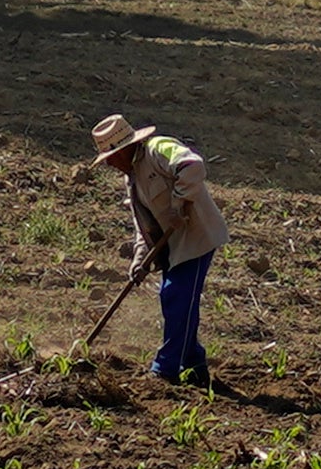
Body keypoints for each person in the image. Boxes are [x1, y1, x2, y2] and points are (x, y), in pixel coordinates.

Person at [92, 113, 227, 386]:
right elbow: (144, 226)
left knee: (176, 297)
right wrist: (140, 260)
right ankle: (195, 365)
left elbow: (192, 165)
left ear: (124, 149)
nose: (109, 164)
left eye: (111, 157)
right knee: (175, 302)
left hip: (196, 238)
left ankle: (165, 369)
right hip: (172, 248)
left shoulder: (158, 148)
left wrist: (179, 203)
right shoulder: (132, 180)